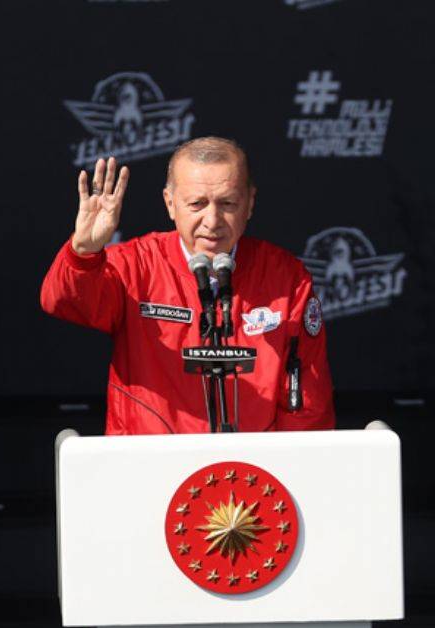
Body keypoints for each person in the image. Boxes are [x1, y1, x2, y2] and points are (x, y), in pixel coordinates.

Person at [40, 137, 334, 435]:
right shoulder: (135, 265)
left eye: (228, 203)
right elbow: (62, 301)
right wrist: (83, 254)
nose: (212, 220)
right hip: (151, 459)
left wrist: (275, 462)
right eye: (197, 204)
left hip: (250, 462)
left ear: (250, 203)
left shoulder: (286, 278)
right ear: (170, 203)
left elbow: (308, 405)